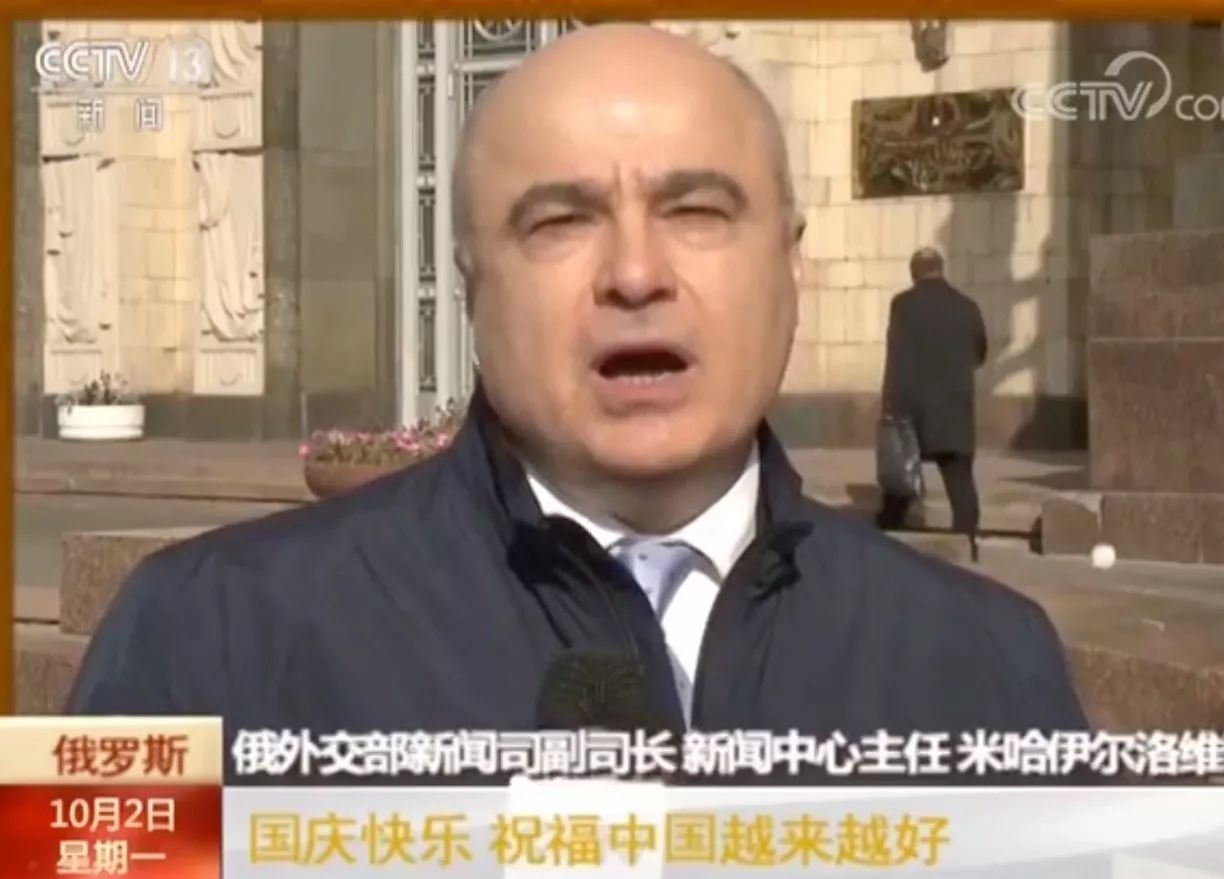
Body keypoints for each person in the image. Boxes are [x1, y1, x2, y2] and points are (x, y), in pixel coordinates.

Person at [67, 25, 1086, 782]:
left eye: (697, 210)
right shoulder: (201, 633)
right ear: (473, 287)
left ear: (791, 270)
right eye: (559, 222)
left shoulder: (988, 662)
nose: (635, 274)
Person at [878, 248, 988, 561]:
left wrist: (889, 405)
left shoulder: (902, 305)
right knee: (960, 483)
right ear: (942, 269)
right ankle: (966, 543)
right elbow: (980, 352)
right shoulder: (967, 307)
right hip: (954, 410)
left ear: (914, 273)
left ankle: (887, 543)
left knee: (900, 480)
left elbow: (895, 354)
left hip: (911, 410)